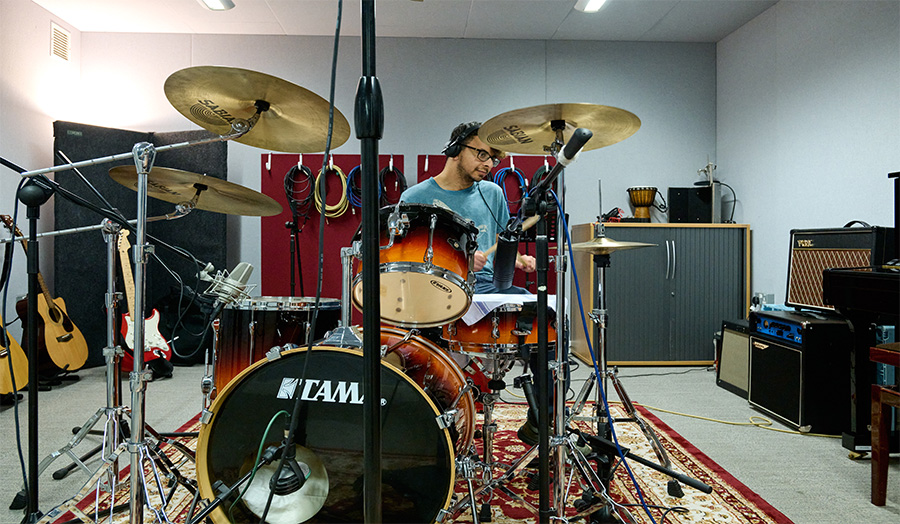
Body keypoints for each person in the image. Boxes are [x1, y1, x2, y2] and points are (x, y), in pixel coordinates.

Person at [400, 121, 536, 294]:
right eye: (482, 154)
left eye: (492, 159)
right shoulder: (414, 198)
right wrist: (463, 260)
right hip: (434, 283)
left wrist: (516, 259)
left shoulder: (493, 193)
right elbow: (404, 255)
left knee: (533, 304)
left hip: (482, 284)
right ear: (455, 150)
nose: (489, 165)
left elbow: (498, 242)